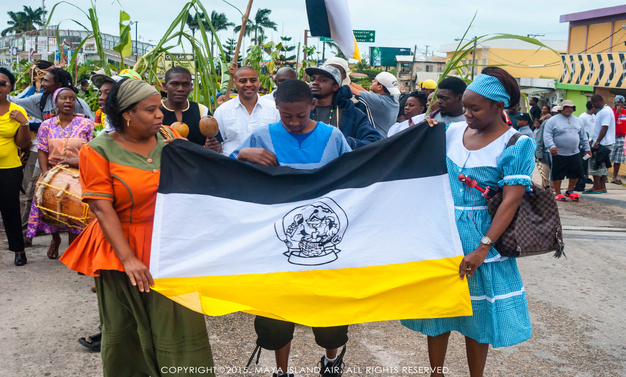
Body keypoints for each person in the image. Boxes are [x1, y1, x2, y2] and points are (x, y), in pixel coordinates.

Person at [59, 78, 215, 376]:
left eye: (159, 108)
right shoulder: (98, 151)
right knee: (126, 330)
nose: (160, 115)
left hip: (170, 248)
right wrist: (129, 259)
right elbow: (102, 210)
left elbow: (197, 177)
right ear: (127, 114)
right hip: (121, 250)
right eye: (152, 109)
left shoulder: (168, 136)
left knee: (180, 326)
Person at [404, 67, 536, 377]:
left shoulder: (516, 144)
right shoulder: (451, 132)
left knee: (478, 317)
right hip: (443, 234)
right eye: (465, 106)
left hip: (482, 237)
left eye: (474, 108)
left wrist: (483, 248)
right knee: (438, 313)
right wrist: (424, 126)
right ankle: (435, 373)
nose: (467, 113)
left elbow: (510, 201)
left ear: (498, 107)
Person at [230, 79, 350, 377]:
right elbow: (226, 172)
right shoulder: (260, 137)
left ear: (313, 105)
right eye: (286, 116)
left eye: (301, 115)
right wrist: (243, 154)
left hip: (324, 240)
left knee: (329, 313)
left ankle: (331, 360)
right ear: (277, 110)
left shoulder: (333, 137)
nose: (294, 122)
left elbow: (355, 175)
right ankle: (282, 371)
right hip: (277, 244)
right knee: (277, 315)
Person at [25, 88, 94, 259]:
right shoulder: (46, 125)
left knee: (75, 211)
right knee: (48, 210)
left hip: (79, 175)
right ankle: (55, 240)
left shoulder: (87, 124)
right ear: (55, 103)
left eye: (71, 98)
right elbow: (42, 150)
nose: (68, 101)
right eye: (63, 98)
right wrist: (46, 175)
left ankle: (75, 252)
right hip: (53, 175)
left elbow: (93, 150)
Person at [306, 65, 381, 149]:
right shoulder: (302, 111)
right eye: (312, 79)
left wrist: (344, 143)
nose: (315, 82)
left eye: (323, 80)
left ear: (335, 87)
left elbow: (373, 140)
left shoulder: (351, 112)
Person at [0, 67, 30, 266]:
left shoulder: (17, 111)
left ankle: (19, 250)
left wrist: (23, 123)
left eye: (3, 83)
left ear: (10, 87)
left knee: (10, 209)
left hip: (9, 169)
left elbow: (22, 144)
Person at [214, 66, 280, 156]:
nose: (249, 84)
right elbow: (217, 146)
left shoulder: (274, 109)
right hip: (232, 166)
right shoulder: (222, 111)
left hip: (265, 168)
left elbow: (280, 142)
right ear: (234, 84)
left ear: (259, 83)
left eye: (253, 80)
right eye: (243, 81)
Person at [160, 66, 222, 152]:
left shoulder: (202, 111)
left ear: (191, 86)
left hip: (196, 164)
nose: (181, 89)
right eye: (174, 84)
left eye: (186, 84)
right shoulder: (155, 111)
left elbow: (218, 147)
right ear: (164, 86)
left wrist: (213, 147)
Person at [542, 100, 591, 201]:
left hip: (574, 152)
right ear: (562, 109)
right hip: (558, 152)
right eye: (566, 107)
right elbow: (547, 135)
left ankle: (570, 191)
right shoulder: (553, 120)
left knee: (576, 171)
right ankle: (558, 192)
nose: (569, 109)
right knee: (558, 172)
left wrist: (587, 148)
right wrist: (551, 146)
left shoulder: (578, 120)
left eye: (571, 107)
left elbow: (583, 136)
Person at [8, 67, 94, 121]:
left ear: (59, 84)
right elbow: (16, 102)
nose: (42, 84)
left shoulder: (78, 104)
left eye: (46, 81)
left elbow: (92, 124)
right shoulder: (40, 100)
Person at [348, 72, 400, 137]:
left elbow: (350, 89)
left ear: (380, 87)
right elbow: (366, 92)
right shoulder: (394, 101)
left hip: (376, 141)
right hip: (386, 139)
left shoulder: (377, 101)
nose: (372, 81)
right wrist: (350, 82)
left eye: (375, 81)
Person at [585, 94, 616, 194]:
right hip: (603, 142)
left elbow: (604, 127)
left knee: (595, 165)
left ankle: (596, 187)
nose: (593, 106)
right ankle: (602, 187)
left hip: (602, 143)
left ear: (596, 102)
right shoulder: (605, 110)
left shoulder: (605, 112)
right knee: (602, 165)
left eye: (593, 104)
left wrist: (597, 142)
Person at [574, 101, 598, 191]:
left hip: (591, 145)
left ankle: (584, 181)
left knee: (586, 164)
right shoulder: (583, 117)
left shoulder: (594, 116)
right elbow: (579, 131)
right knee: (581, 165)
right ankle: (579, 184)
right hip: (584, 146)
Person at [610, 95, 626, 184]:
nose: (619, 104)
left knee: (618, 159)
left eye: (621, 103)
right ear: (615, 102)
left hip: (622, 138)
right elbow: (612, 123)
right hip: (613, 137)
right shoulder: (611, 112)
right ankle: (603, 177)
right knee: (609, 158)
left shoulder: (625, 112)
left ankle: (614, 177)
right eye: (618, 102)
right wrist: (617, 113)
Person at [535, 119, 552, 190]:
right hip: (546, 154)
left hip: (561, 154)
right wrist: (539, 153)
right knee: (545, 176)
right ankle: (546, 191)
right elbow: (540, 139)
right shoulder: (547, 123)